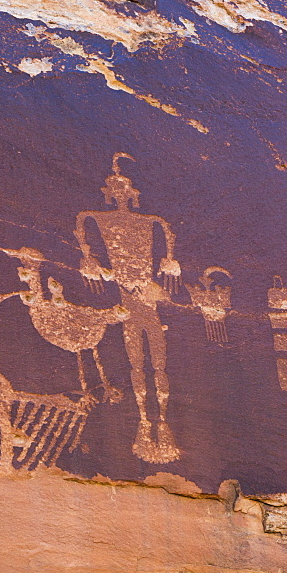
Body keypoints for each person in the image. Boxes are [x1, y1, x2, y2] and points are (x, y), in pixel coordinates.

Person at [74, 153, 181, 463]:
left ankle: (160, 420)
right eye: (115, 192)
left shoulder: (150, 223)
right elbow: (81, 221)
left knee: (157, 364)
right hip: (129, 302)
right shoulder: (100, 219)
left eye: (124, 192)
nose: (120, 196)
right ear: (110, 194)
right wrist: (87, 255)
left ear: (131, 195)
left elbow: (167, 236)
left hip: (144, 300)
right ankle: (146, 422)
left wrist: (167, 262)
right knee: (137, 363)